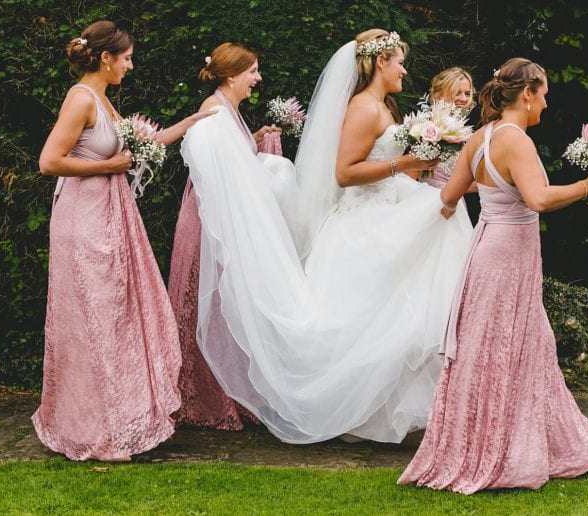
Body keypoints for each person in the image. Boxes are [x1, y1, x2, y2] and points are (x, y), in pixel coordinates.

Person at [182, 29, 473, 444]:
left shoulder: (382, 107)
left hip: (387, 208)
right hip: (362, 221)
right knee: (370, 322)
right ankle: (346, 407)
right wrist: (408, 160)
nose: (404, 69)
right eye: (398, 61)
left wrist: (422, 163)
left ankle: (380, 409)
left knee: (419, 274)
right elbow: (345, 173)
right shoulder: (363, 108)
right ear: (379, 64)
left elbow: (392, 165)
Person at [399, 58, 588, 494]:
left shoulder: (479, 137)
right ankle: (502, 453)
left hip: (485, 250)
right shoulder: (516, 140)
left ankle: (540, 446)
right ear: (527, 93)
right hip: (508, 256)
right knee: (506, 347)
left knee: (505, 346)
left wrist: (493, 187)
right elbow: (537, 199)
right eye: (545, 94)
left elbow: (449, 194)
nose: (547, 104)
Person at [32, 20, 210, 461]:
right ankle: (94, 428)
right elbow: (49, 161)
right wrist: (109, 167)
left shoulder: (105, 103)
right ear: (105, 58)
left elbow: (146, 145)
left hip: (111, 217)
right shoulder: (80, 99)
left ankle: (119, 420)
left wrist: (194, 120)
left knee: (115, 321)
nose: (131, 65)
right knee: (95, 320)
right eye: (126, 58)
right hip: (83, 220)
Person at [167, 42, 282, 430]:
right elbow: (211, 173)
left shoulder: (229, 110)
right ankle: (206, 396)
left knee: (226, 300)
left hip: (222, 218)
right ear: (232, 75)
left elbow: (234, 159)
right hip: (208, 221)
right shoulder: (213, 112)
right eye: (252, 71)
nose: (258, 78)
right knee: (210, 299)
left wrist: (258, 137)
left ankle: (233, 392)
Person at [421, 67, 476, 191]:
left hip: (453, 200)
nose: (464, 99)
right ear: (438, 96)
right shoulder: (426, 129)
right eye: (457, 92)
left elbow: (462, 183)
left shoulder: (466, 132)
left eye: (467, 93)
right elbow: (411, 174)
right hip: (428, 198)